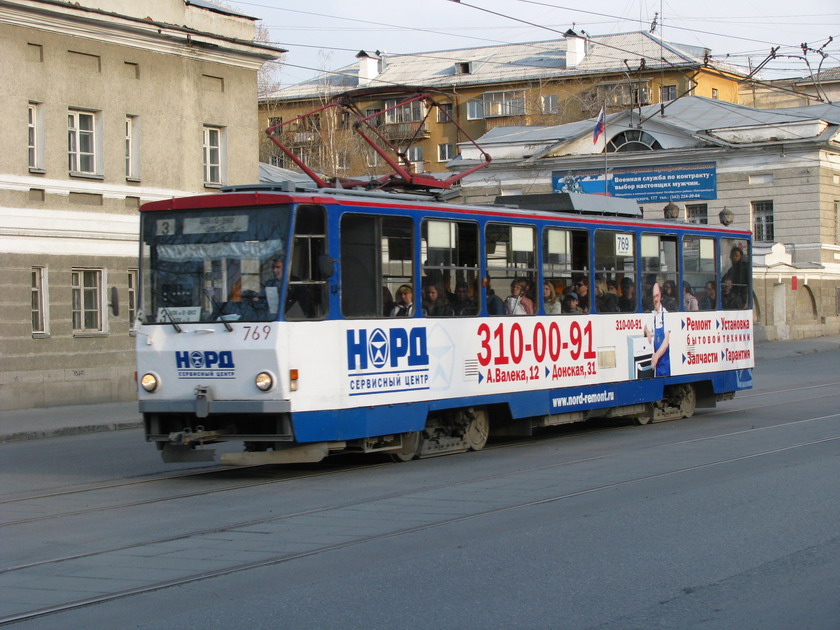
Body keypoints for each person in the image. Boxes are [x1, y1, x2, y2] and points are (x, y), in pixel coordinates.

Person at [643, 282, 671, 377]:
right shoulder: (652, 315)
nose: (655, 299)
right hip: (656, 364)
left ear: (661, 297)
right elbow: (646, 327)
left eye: (657, 296)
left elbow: (666, 341)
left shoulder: (665, 315)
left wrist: (656, 356)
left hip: (663, 362)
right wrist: (647, 331)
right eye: (653, 296)